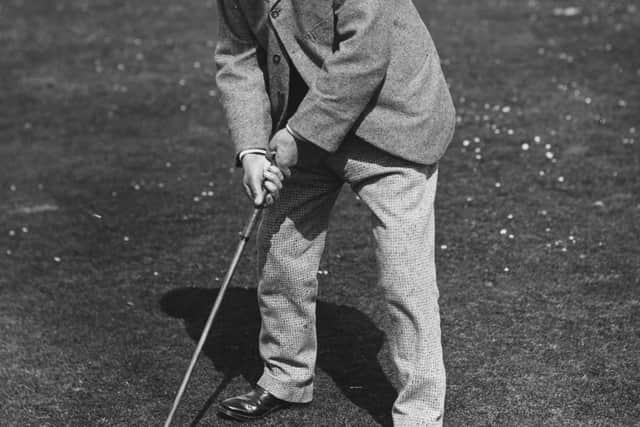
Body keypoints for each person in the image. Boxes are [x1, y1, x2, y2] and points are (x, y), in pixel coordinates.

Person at [214, 0, 455, 425]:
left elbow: (365, 54)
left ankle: (420, 413)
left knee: (405, 275)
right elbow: (238, 55)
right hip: (301, 128)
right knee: (280, 253)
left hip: (392, 122)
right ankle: (285, 376)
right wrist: (252, 149)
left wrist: (298, 132)